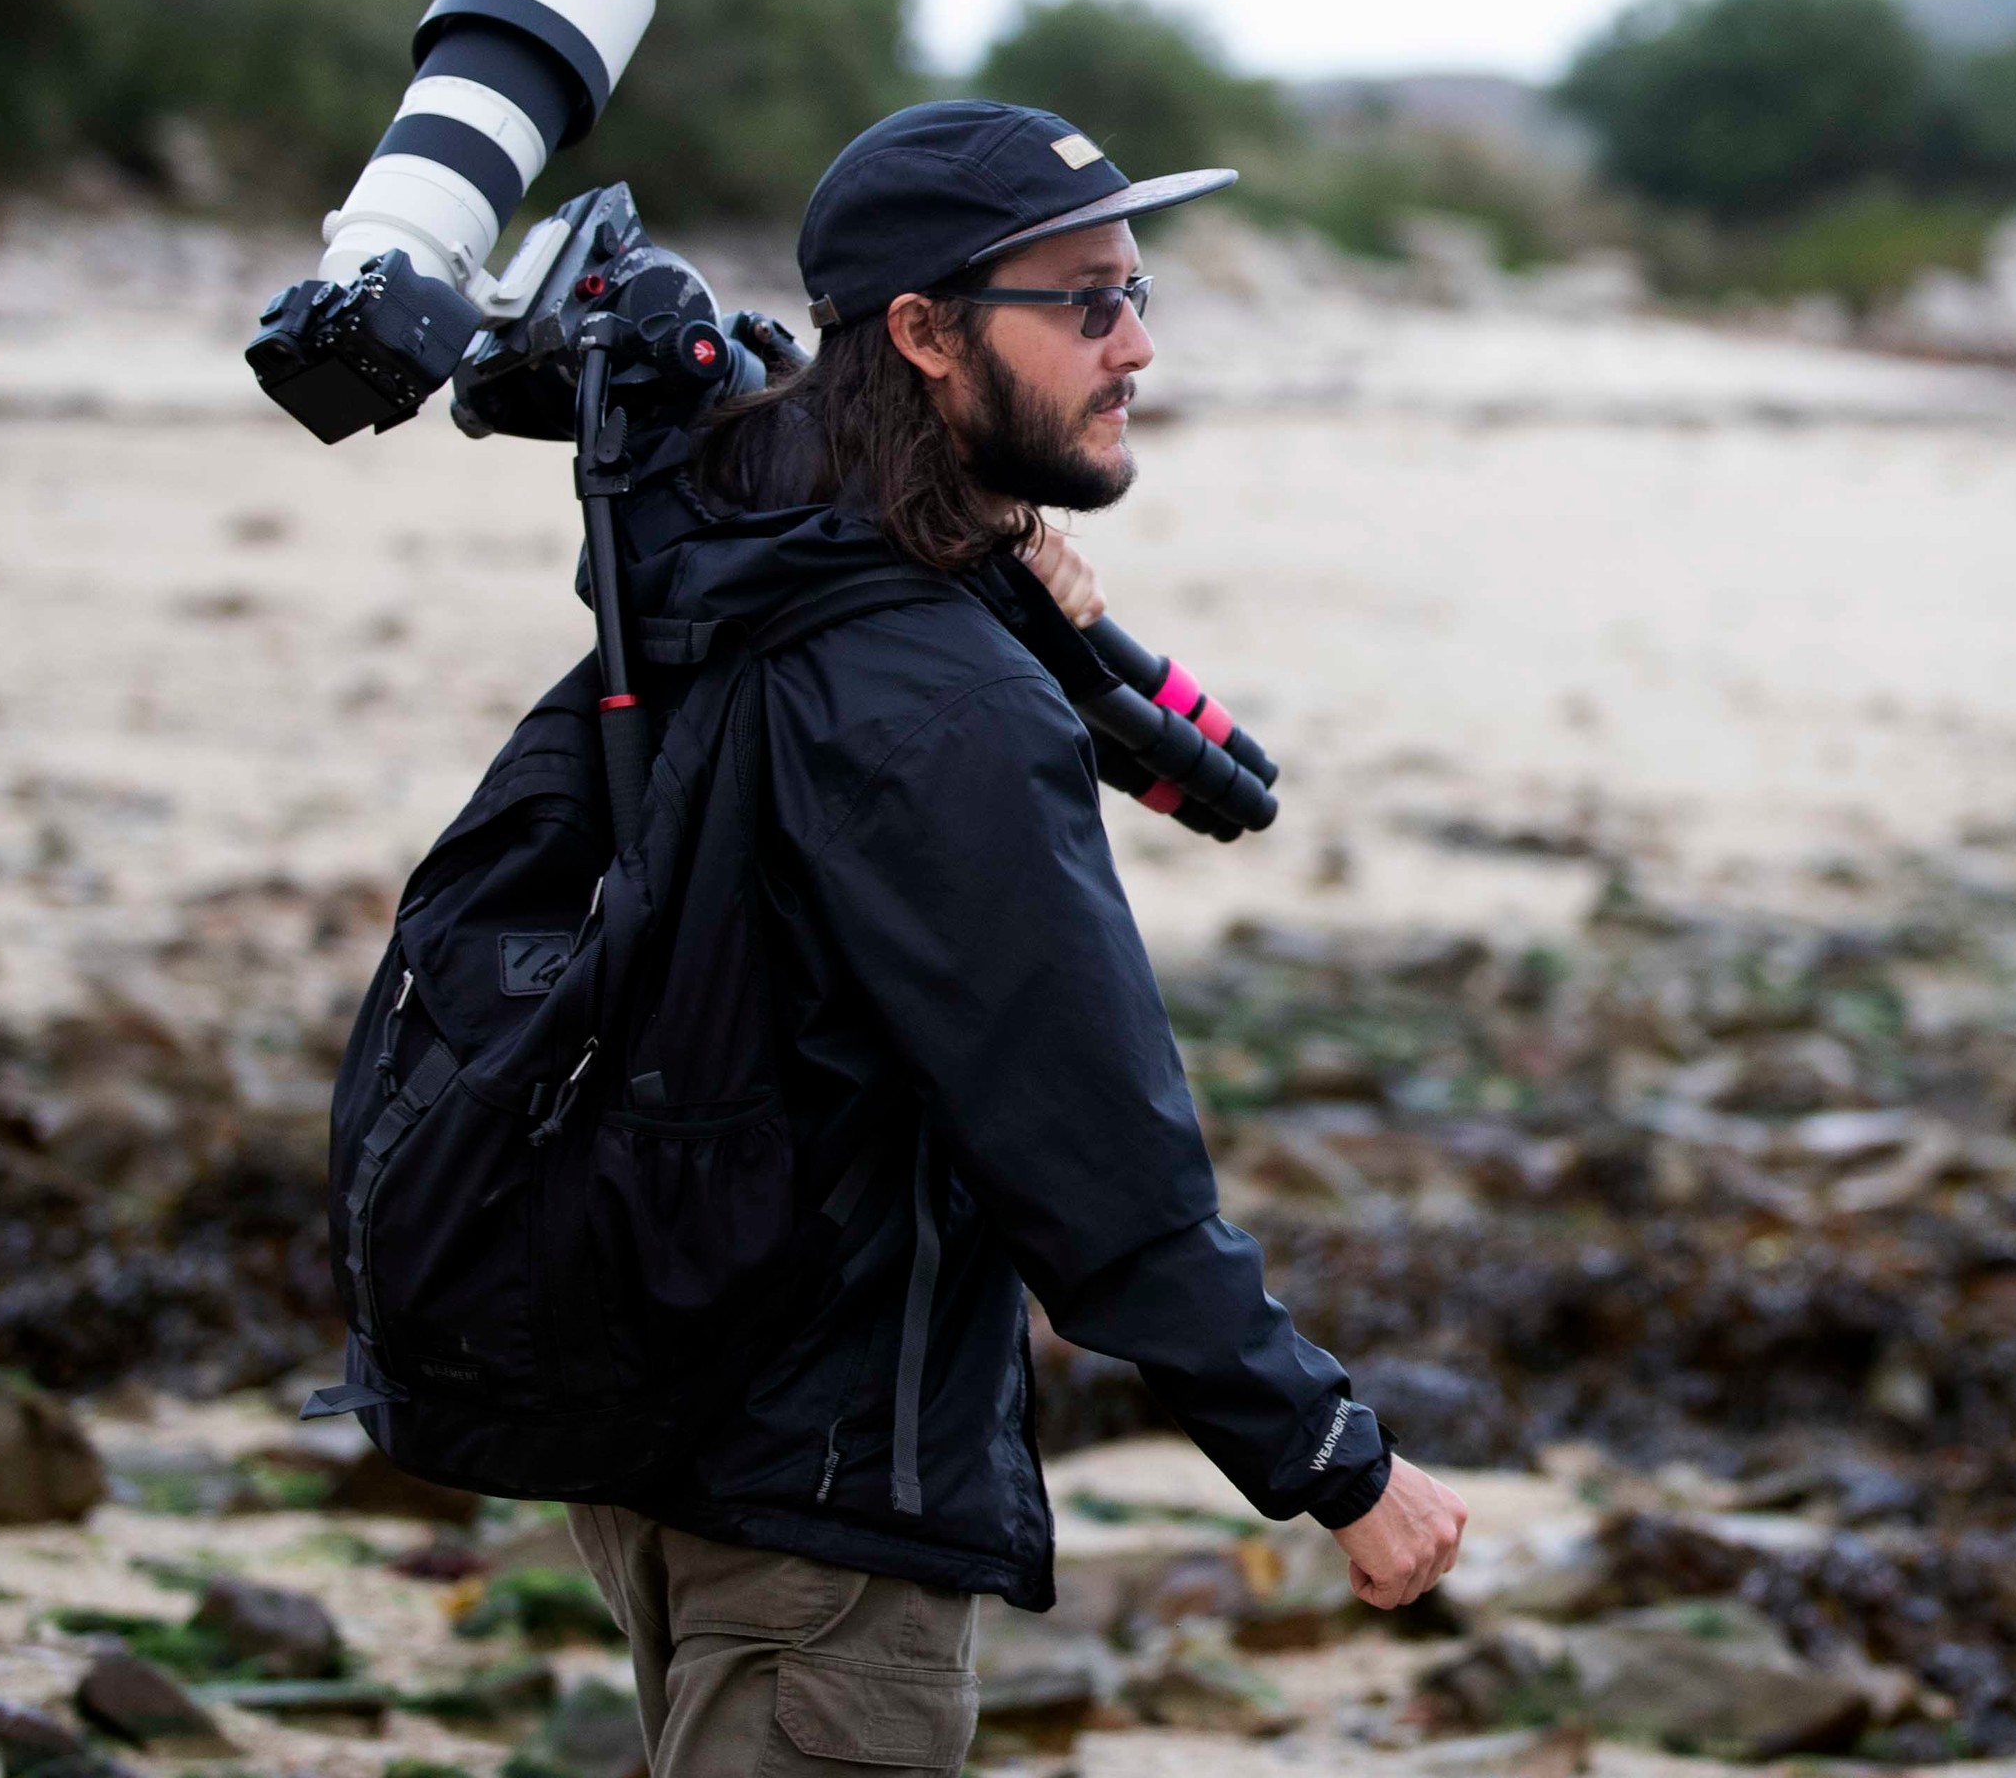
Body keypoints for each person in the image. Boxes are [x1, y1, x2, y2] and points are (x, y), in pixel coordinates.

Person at [560, 97, 1465, 1777]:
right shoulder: (931, 694)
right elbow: (1089, 1148)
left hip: (667, 1426)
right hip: (829, 1481)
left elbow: (1228, 788)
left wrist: (1056, 624)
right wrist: (1333, 1459)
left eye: (1138, 291)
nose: (1138, 346)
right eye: (1087, 304)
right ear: (921, 332)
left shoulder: (742, 555)